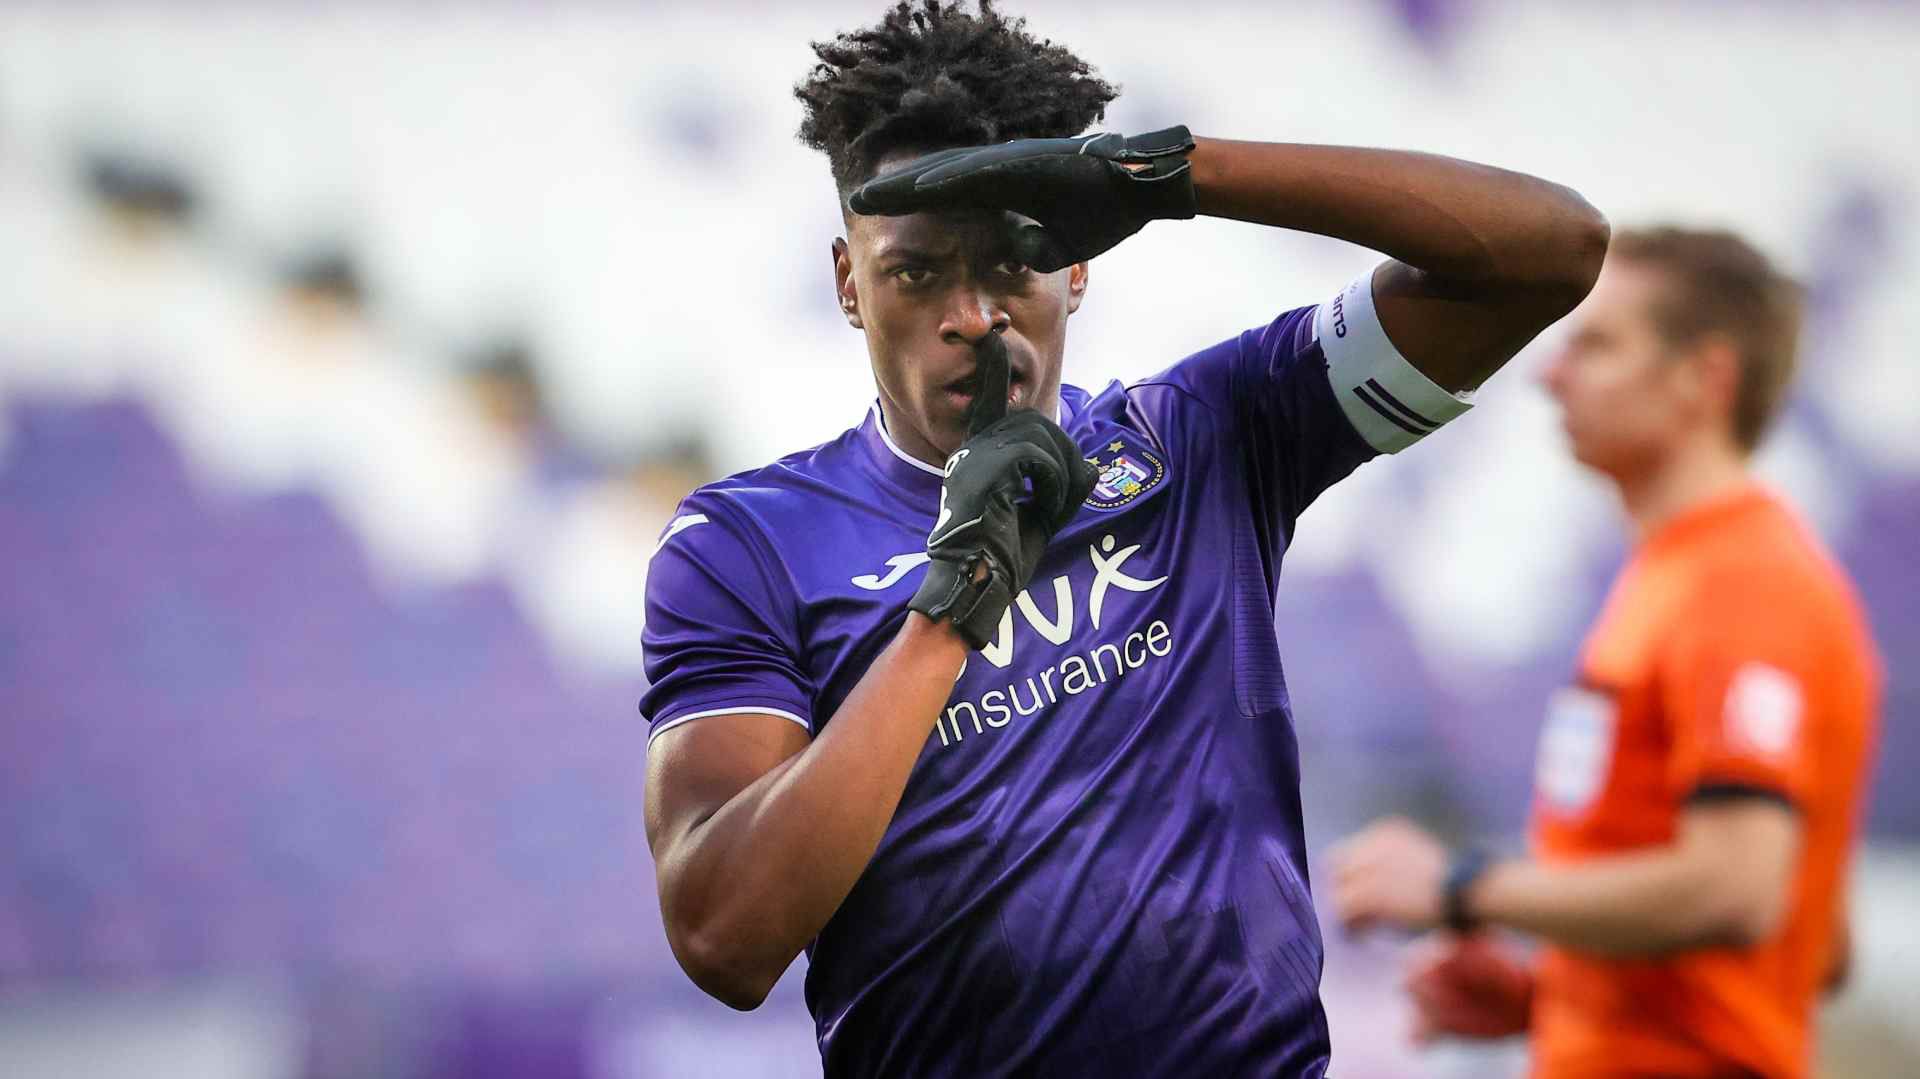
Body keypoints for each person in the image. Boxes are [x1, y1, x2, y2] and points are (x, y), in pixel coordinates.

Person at [640, 2, 1605, 1075]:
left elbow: (1551, 250)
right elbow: (727, 936)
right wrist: (954, 603)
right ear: (848, 283)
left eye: (1014, 262)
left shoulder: (1203, 436)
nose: (971, 314)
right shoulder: (744, 543)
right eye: (916, 272)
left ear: (1080, 268)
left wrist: (1173, 175)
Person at [1329, 227, 1881, 1079]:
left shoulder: (1743, 583)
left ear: (1706, 377)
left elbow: (1739, 888)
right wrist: (1549, 995)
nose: (1551, 375)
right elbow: (1821, 936)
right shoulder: (1679, 573)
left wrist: (1458, 888)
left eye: (1597, 342)